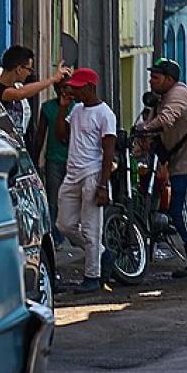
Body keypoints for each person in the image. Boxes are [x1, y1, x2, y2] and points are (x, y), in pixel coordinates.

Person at [134, 59, 187, 278]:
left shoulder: (178, 94)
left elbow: (167, 119)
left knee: (181, 211)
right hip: (181, 164)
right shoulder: (160, 100)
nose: (151, 81)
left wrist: (144, 128)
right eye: (151, 76)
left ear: (170, 79)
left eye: (155, 77)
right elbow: (153, 133)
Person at [54, 68, 116, 293]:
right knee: (65, 225)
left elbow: (109, 151)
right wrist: (62, 108)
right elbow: (61, 135)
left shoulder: (105, 114)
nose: (74, 91)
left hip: (92, 173)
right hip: (72, 174)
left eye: (79, 88)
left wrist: (103, 184)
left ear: (91, 87)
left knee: (91, 228)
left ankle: (93, 275)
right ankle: (101, 254)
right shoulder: (76, 109)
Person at [0, 45, 69, 139]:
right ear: (19, 69)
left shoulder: (17, 87)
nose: (29, 73)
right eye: (29, 69)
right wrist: (53, 79)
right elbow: (19, 94)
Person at [33, 83, 72, 242]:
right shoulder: (48, 107)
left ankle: (73, 234)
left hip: (73, 159)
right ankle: (56, 237)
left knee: (71, 199)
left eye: (66, 87)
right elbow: (41, 133)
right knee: (53, 199)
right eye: (60, 87)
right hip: (53, 159)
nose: (63, 91)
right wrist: (35, 159)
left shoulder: (77, 107)